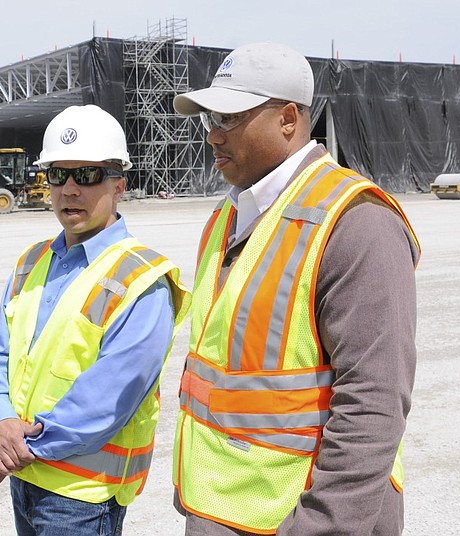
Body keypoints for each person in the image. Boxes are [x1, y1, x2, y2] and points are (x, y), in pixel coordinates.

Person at [170, 42, 421, 535]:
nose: (213, 136)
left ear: (288, 119)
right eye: (207, 120)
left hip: (300, 521)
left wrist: (319, 527)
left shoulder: (356, 224)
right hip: (221, 508)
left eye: (228, 118)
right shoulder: (228, 217)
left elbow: (373, 405)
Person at [0, 104, 191, 535]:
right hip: (24, 478)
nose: (69, 189)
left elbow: (107, 399)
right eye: (57, 175)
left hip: (81, 496)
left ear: (119, 184)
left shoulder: (143, 279)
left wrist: (16, 445)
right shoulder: (33, 260)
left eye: (87, 175)